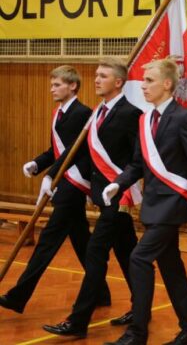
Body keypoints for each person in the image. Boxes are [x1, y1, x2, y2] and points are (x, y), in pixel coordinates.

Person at [102, 58, 187, 345]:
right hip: (153, 203)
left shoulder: (184, 118)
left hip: (173, 204)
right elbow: (137, 164)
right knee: (171, 268)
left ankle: (137, 333)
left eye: (149, 81)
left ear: (167, 84)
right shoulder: (145, 120)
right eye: (143, 80)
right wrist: (118, 183)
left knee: (139, 257)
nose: (143, 86)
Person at [0, 66, 112, 314]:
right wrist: (38, 164)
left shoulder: (83, 113)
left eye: (57, 85)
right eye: (51, 85)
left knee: (46, 242)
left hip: (74, 183)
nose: (52, 89)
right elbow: (56, 151)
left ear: (72, 86)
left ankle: (19, 296)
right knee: (83, 243)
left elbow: (77, 151)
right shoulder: (57, 113)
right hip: (63, 179)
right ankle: (101, 292)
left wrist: (52, 175)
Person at [42, 58, 141, 338]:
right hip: (101, 195)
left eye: (103, 76)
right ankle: (140, 308)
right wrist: (53, 175)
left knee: (95, 254)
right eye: (96, 75)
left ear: (119, 82)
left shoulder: (130, 113)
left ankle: (78, 321)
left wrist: (120, 186)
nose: (96, 79)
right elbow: (83, 154)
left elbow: (137, 158)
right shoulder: (98, 111)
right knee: (128, 254)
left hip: (118, 198)